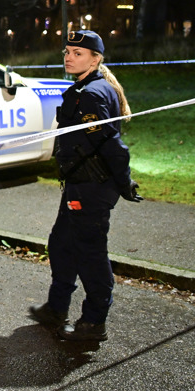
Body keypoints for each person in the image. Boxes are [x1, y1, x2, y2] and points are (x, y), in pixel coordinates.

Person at [28, 29, 142, 342]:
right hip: (80, 184)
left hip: (92, 186)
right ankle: (56, 307)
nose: (68, 57)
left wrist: (124, 182)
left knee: (90, 255)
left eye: (77, 53)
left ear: (95, 59)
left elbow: (112, 145)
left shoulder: (92, 93)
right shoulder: (85, 88)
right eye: (67, 51)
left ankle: (94, 322)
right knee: (61, 245)